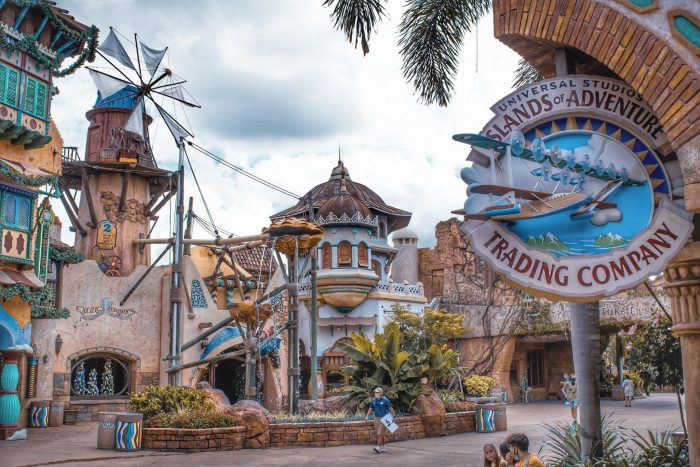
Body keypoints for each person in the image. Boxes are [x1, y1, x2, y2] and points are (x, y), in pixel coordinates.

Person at [365, 387, 395, 454]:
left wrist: (393, 416)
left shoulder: (385, 400)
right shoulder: (373, 401)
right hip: (376, 418)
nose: (376, 393)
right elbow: (370, 409)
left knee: (380, 433)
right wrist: (367, 416)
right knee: (380, 434)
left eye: (377, 392)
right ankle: (384, 446)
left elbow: (391, 408)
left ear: (381, 393)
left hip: (384, 418)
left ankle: (378, 447)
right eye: (375, 392)